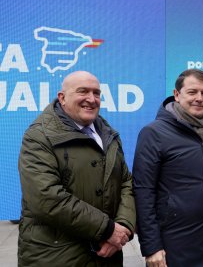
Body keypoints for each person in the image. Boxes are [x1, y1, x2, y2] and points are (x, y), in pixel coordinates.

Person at [18, 71, 136, 266]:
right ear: (62, 98)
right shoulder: (39, 136)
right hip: (57, 256)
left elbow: (125, 181)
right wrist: (107, 229)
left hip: (108, 254)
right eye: (83, 91)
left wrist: (123, 227)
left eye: (96, 93)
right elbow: (46, 197)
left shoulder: (108, 134)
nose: (91, 99)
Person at [133, 69, 203, 266]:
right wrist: (151, 247)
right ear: (177, 94)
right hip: (173, 247)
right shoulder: (153, 133)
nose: (199, 98)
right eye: (192, 92)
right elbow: (143, 191)